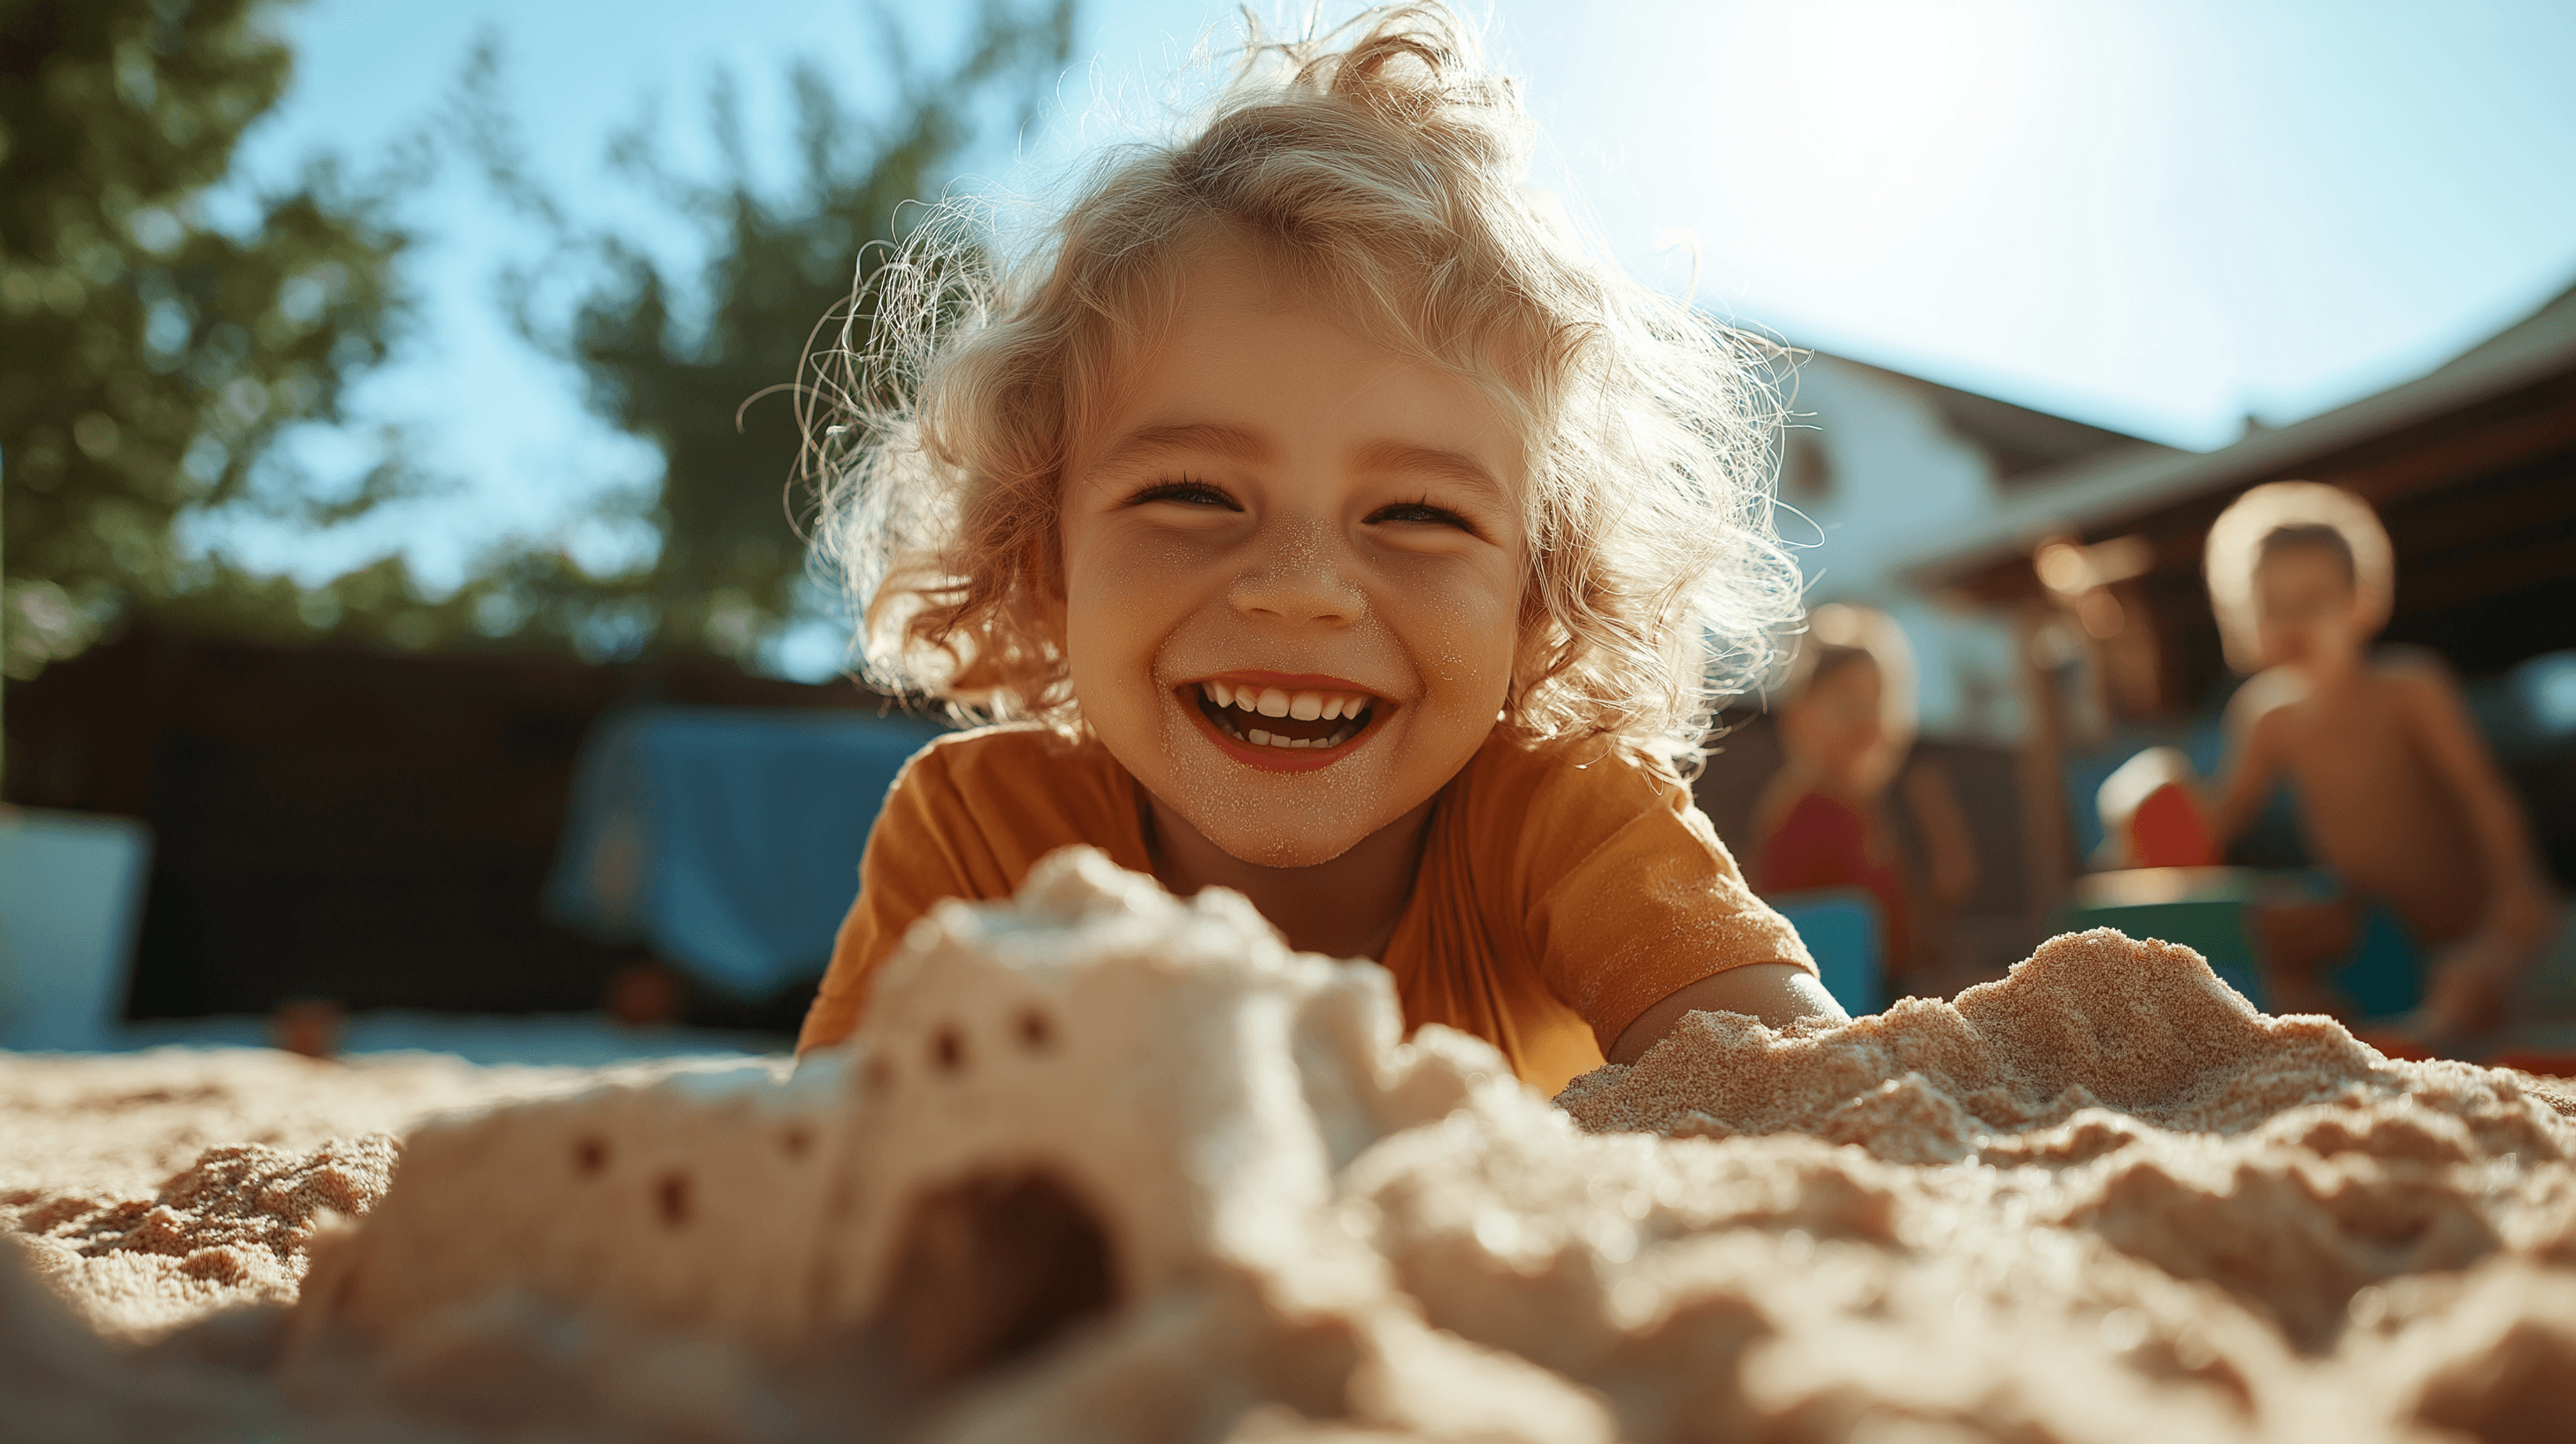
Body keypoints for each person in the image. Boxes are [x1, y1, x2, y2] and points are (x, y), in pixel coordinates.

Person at [791, 4, 1843, 1095]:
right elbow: (835, 1170)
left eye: (1418, 515)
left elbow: (1807, 1088)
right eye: (1190, 493)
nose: (1299, 591)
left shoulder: (1565, 820)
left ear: (1537, 601)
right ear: (1044, 559)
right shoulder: (981, 838)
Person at [2200, 481, 2562, 1042]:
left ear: (2361, 602)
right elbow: (2221, 819)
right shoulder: (2264, 717)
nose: (2294, 622)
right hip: (2380, 933)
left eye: (2313, 602)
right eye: (2275, 606)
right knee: (2276, 957)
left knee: (2471, 984)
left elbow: (2480, 793)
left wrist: (2517, 889)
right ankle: (2370, 1034)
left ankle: (2422, 1033)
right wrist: (2153, 809)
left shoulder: (2408, 687)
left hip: (2474, 919)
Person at [1748, 604, 1976, 992]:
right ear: (1800, 715)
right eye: (1846, 706)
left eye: (1879, 707)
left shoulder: (1857, 809)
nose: (1868, 725)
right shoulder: (1816, 812)